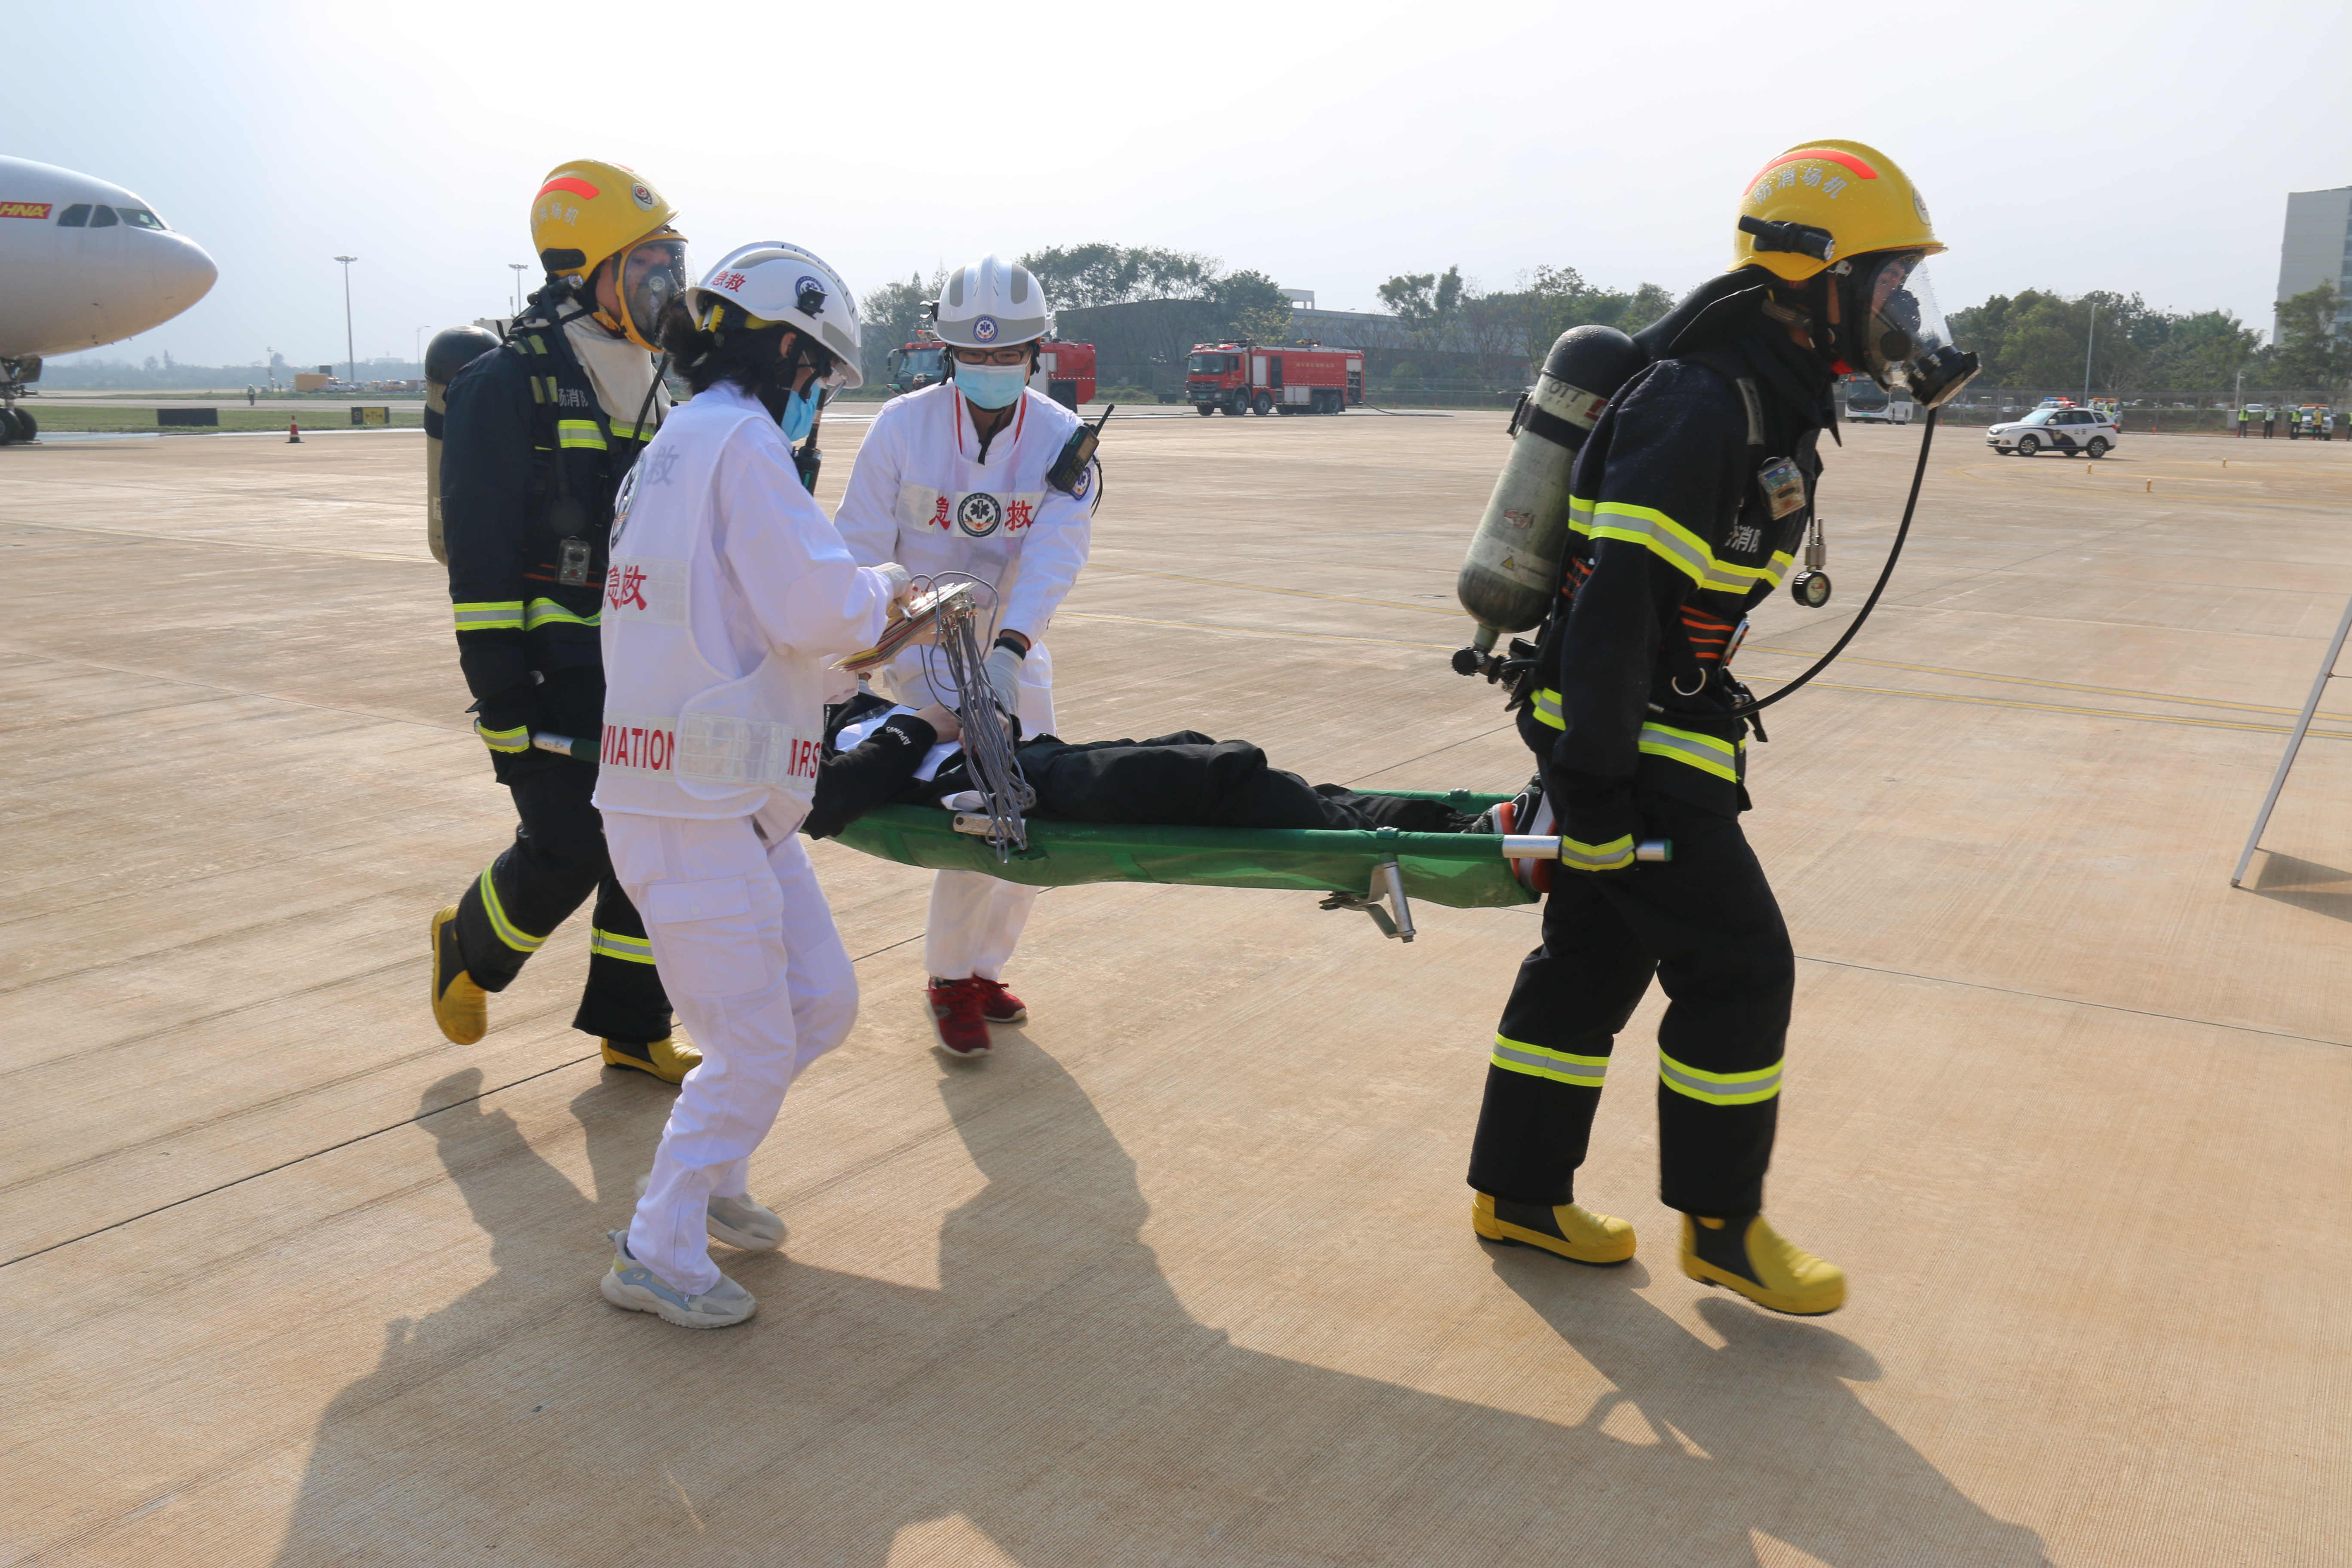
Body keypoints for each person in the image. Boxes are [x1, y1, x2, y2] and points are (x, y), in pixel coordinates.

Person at [1465, 140, 1974, 1318]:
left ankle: (1521, 1195)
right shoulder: (1701, 403)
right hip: (1630, 742)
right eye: (1891, 287)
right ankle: (1724, 1227)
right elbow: (1615, 608)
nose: (1902, 317)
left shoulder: (1766, 395)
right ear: (1810, 278)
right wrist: (1591, 797)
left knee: (1592, 962)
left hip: (1646, 727)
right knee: (1743, 968)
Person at [593, 241, 913, 1328]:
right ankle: (657, 1248)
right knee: (754, 1043)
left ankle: (715, 1178)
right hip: (689, 803)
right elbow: (820, 612)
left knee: (820, 998)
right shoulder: (740, 446)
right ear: (786, 349)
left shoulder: (682, 442)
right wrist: (900, 587)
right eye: (819, 373)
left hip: (721, 794)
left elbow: (751, 623)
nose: (818, 397)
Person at [427, 159, 699, 1084]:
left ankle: (633, 1024)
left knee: (651, 847)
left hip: (656, 661)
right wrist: (501, 694)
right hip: (553, 672)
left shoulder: (672, 378)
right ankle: (470, 947)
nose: (669, 286)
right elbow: (482, 557)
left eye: (674, 263)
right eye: (649, 265)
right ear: (587, 271)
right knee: (570, 847)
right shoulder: (506, 384)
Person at [834, 255, 1102, 1058]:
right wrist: (867, 642)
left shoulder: (1061, 440)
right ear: (946, 353)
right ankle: (949, 978)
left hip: (1008, 643)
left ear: (1035, 353)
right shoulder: (902, 425)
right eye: (973, 355)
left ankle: (985, 966)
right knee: (983, 801)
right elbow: (857, 543)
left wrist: (1013, 653)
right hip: (919, 638)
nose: (989, 368)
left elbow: (1056, 553)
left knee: (1034, 797)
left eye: (1006, 355)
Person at [802, 689, 1482, 840]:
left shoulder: (850, 697)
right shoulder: (796, 728)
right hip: (1015, 792)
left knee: (1195, 747)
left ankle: (1396, 814)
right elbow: (827, 802)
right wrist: (920, 725)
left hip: (1031, 762)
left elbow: (945, 731)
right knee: (1218, 773)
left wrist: (991, 724)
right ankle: (1437, 830)